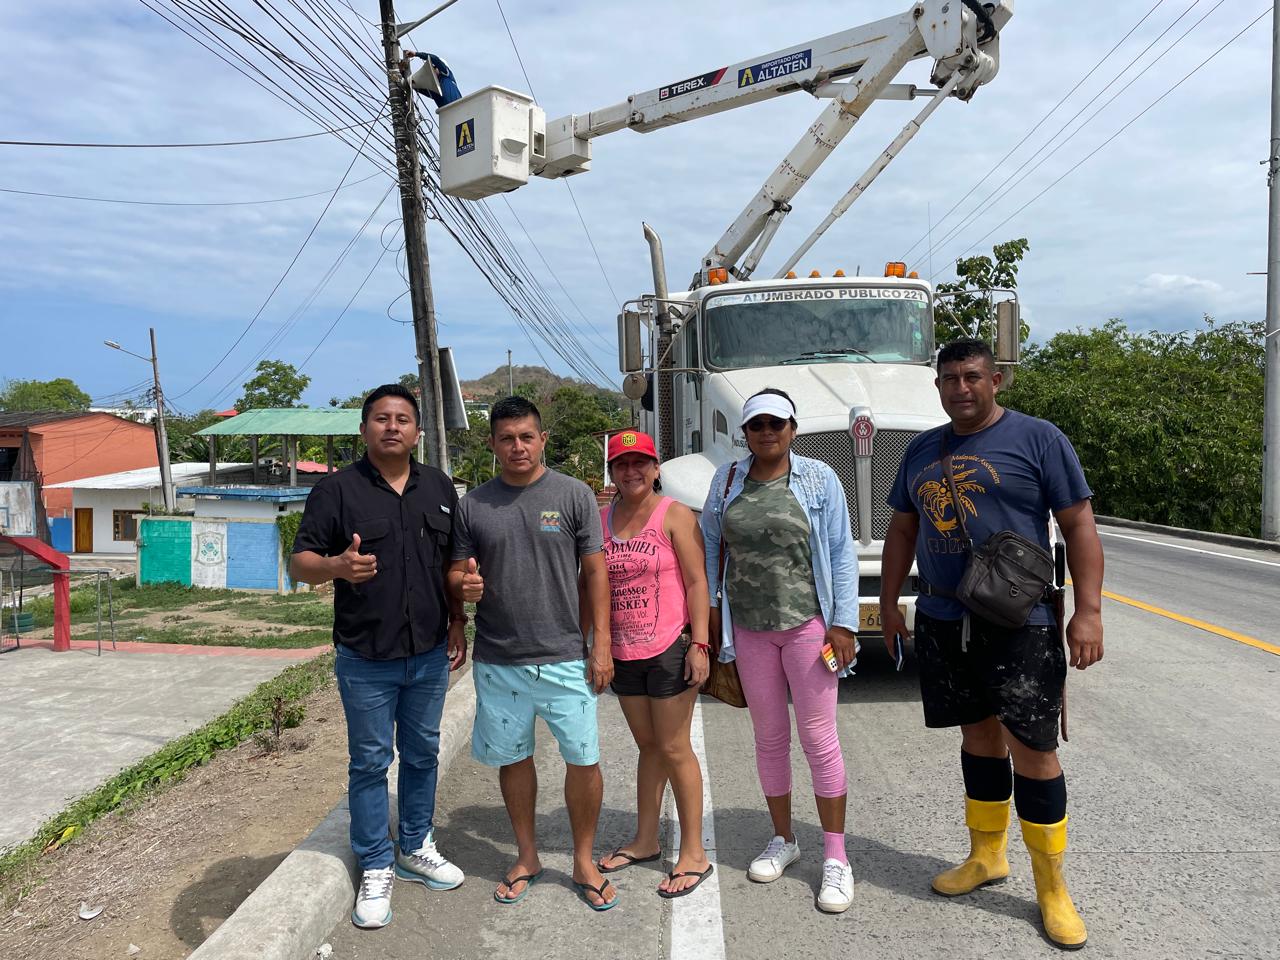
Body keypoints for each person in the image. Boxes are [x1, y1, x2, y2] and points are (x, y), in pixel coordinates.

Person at [879, 338, 1104, 950]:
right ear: (938, 385)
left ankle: (1051, 887)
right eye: (950, 378)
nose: (961, 388)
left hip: (1019, 620)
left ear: (996, 379)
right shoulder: (921, 449)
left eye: (972, 376)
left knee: (1032, 749)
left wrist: (1088, 612)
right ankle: (987, 856)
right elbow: (902, 529)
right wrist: (890, 604)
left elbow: (1078, 524)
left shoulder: (1039, 439)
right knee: (977, 737)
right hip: (942, 616)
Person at [290, 384, 466, 930]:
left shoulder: (438, 486)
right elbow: (299, 563)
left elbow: (454, 561)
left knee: (422, 753)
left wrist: (459, 618)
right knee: (369, 761)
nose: (393, 427)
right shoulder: (336, 490)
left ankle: (414, 846)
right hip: (366, 656)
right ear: (364, 428)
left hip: (429, 652)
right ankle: (374, 862)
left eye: (403, 419)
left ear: (417, 431)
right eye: (382, 418)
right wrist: (336, 567)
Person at [447, 396, 618, 911]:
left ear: (543, 439)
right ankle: (527, 856)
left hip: (565, 655)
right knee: (514, 759)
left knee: (583, 759)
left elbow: (596, 572)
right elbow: (455, 572)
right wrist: (463, 586)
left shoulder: (574, 495)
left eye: (526, 436)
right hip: (499, 660)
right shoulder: (473, 504)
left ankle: (583, 860)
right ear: (492, 444)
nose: (517, 446)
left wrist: (601, 645)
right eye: (506, 438)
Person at [701, 388, 860, 914]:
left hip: (807, 626)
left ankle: (835, 856)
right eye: (757, 425)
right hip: (749, 629)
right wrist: (710, 614)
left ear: (793, 428)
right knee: (769, 738)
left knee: (818, 737)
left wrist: (844, 623)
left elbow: (840, 551)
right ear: (744, 433)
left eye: (777, 423)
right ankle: (784, 838)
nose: (767, 432)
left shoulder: (818, 478)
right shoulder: (727, 481)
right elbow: (709, 547)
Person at [591, 430, 713, 898]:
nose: (631, 471)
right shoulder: (602, 520)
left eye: (640, 462)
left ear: (656, 467)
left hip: (669, 648)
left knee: (674, 746)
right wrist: (594, 646)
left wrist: (699, 643)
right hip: (624, 651)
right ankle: (645, 839)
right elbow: (591, 584)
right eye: (621, 464)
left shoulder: (674, 515)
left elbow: (698, 582)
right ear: (612, 472)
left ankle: (694, 853)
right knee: (648, 746)